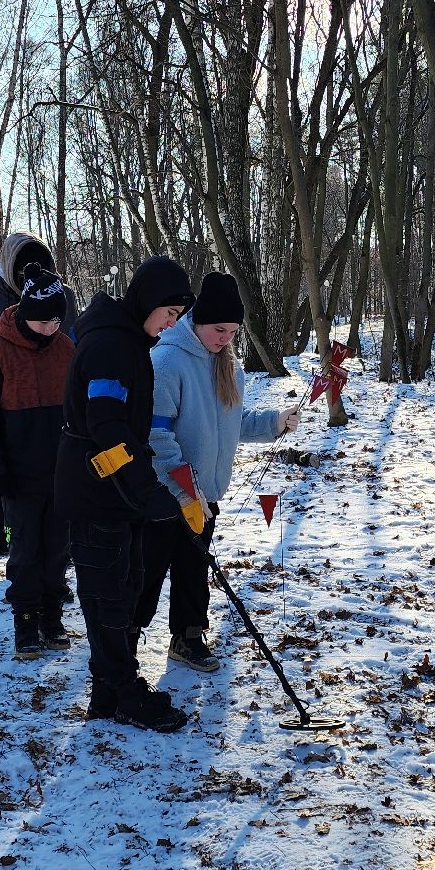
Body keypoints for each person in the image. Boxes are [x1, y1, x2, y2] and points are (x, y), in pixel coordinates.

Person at [52, 256, 197, 733]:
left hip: (114, 490)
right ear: (148, 301)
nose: (171, 323)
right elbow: (106, 425)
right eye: (169, 313)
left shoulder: (129, 338)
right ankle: (123, 692)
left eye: (178, 316)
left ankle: (108, 691)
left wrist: (141, 489)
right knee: (107, 596)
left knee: (126, 586)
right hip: (96, 489)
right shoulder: (112, 345)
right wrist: (144, 487)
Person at [137, 272, 298, 672]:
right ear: (197, 321)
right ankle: (124, 639)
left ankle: (188, 636)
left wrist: (275, 421)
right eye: (218, 329)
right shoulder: (167, 361)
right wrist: (184, 488)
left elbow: (232, 422)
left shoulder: (230, 367)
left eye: (233, 331)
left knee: (193, 570)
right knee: (148, 572)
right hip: (164, 494)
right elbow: (155, 436)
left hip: (202, 496)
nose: (226, 337)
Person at [0, 264, 77, 657]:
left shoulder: (65, 347)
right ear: (24, 313)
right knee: (25, 550)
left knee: (58, 548)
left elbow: (78, 410)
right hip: (18, 474)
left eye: (56, 321)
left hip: (61, 473)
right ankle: (25, 620)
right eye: (42, 321)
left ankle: (52, 614)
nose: (49, 329)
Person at [0, 232, 81, 547]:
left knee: (55, 521)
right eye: (25, 264)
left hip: (54, 412)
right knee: (1, 489)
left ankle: (54, 569)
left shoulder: (63, 296)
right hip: (10, 410)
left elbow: (74, 348)